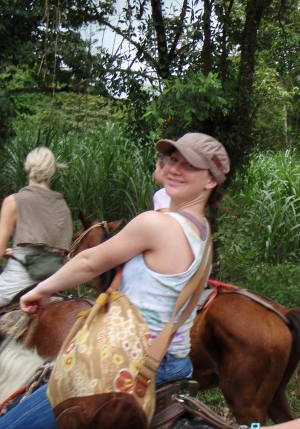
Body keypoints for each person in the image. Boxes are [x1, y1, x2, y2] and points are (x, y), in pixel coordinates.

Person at [0, 132, 230, 428]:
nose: (174, 169)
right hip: (175, 363)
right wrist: (170, 179)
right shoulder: (203, 233)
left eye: (189, 166)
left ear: (210, 180)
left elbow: (88, 261)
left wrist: (42, 290)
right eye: (172, 160)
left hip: (130, 361)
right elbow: (167, 197)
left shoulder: (156, 224)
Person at [0, 147, 73, 307]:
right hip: (51, 286)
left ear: (27, 168)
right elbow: (58, 252)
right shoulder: (62, 206)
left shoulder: (13, 201)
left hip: (16, 284)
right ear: (51, 171)